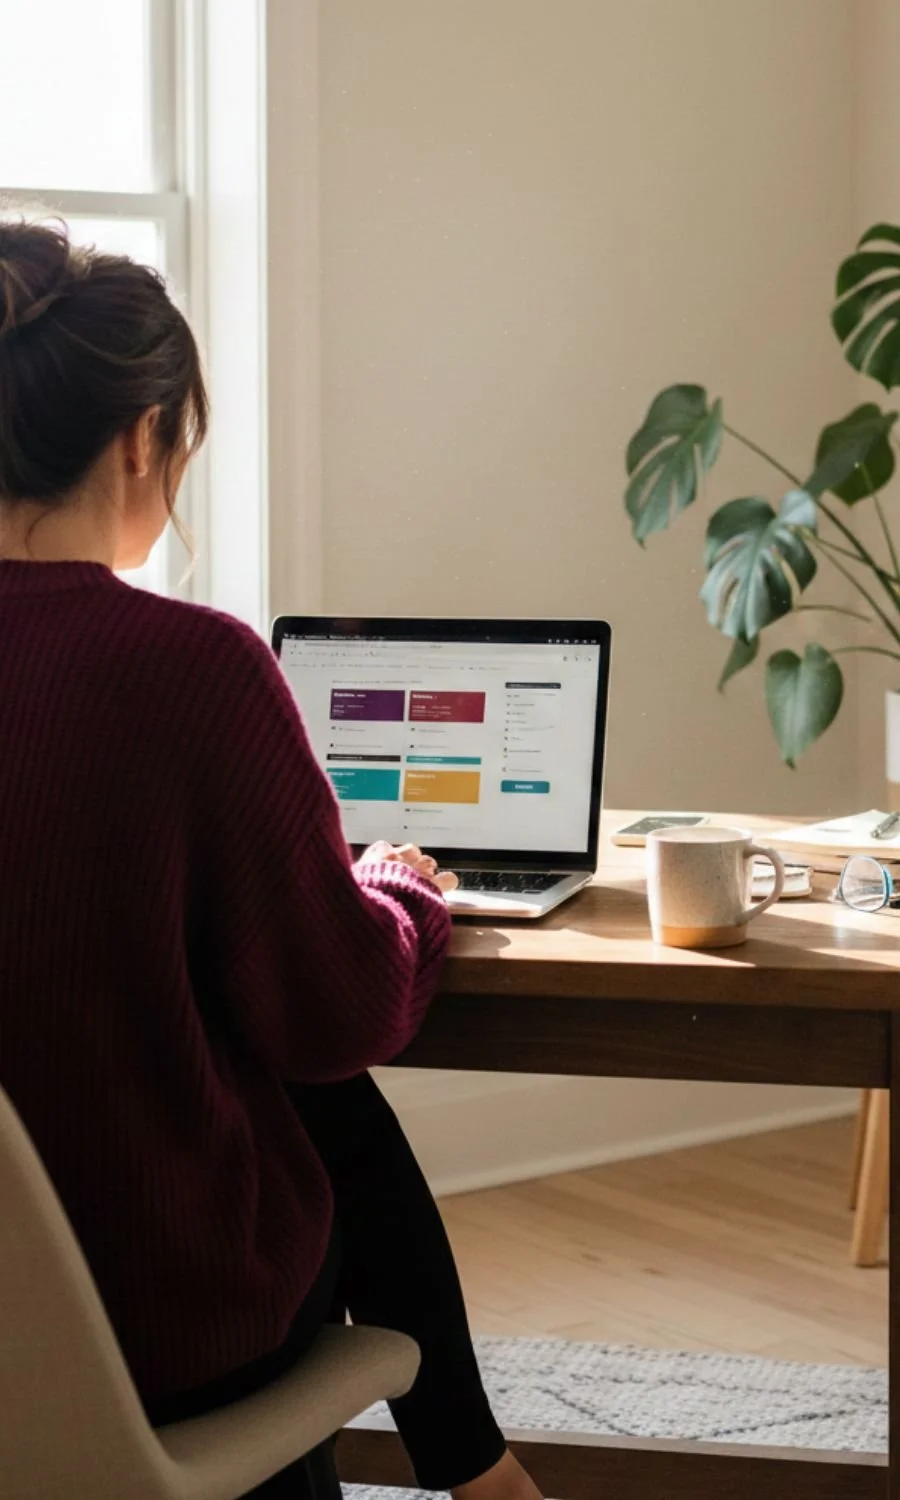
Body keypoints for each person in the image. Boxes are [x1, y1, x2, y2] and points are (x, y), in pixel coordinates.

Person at [0, 216, 542, 1500]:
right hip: (162, 1344)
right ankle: (480, 1469)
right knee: (322, 1096)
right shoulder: (191, 669)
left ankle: (484, 1472)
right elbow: (337, 1007)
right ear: (144, 438)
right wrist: (402, 891)